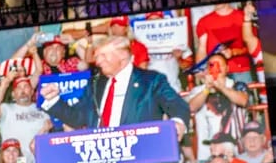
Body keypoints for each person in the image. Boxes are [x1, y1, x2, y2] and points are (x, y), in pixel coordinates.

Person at [40, 36, 190, 137]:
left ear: (123, 57)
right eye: (97, 56)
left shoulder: (152, 80)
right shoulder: (94, 84)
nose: (98, 61)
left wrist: (178, 122)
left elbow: (177, 104)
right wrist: (53, 100)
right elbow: (77, 118)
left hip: (141, 161)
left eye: (104, 55)